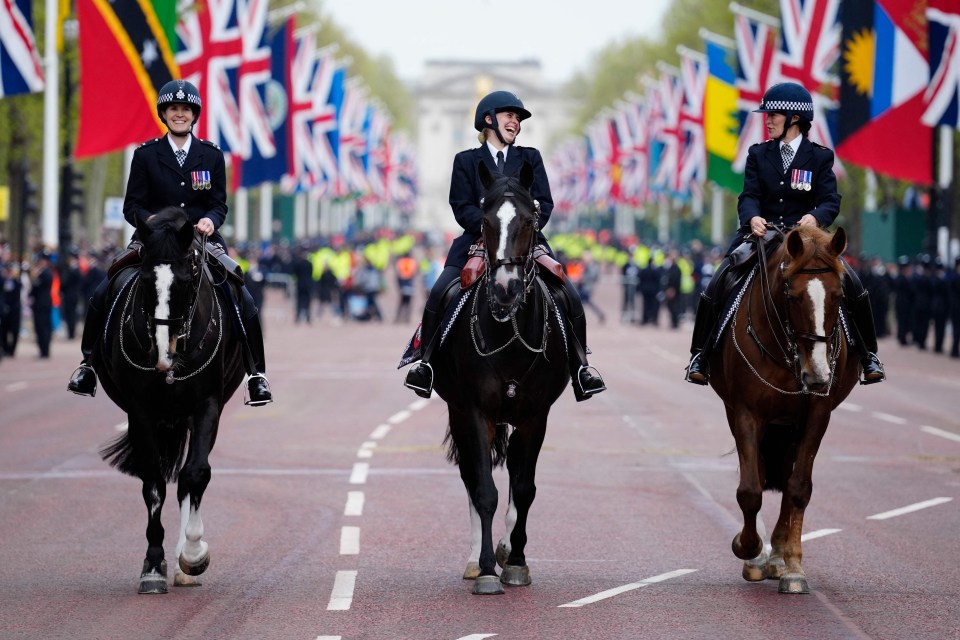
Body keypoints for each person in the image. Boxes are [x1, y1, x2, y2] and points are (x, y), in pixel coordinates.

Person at [67, 79, 273, 405]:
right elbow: (131, 205)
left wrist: (210, 220)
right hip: (153, 240)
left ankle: (255, 374)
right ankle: (88, 364)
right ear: (164, 113)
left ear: (194, 114)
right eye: (174, 109)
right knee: (104, 289)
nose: (180, 114)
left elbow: (219, 203)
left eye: (185, 109)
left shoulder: (211, 155)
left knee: (241, 295)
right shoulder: (146, 155)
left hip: (199, 238)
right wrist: (150, 223)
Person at [403, 90, 606, 402]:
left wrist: (525, 227)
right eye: (510, 115)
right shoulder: (466, 161)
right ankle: (426, 365)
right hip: (477, 243)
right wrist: (490, 228)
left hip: (525, 242)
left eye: (518, 118)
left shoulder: (531, 158)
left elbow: (545, 202)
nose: (516, 122)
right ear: (489, 119)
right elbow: (460, 205)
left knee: (570, 296)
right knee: (440, 292)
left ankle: (581, 368)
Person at [684, 82, 885, 385]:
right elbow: (749, 195)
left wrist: (813, 217)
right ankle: (701, 353)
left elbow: (831, 200)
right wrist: (752, 217)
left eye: (773, 114)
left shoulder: (819, 157)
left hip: (805, 239)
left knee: (852, 284)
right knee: (719, 279)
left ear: (794, 118)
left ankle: (869, 355)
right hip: (761, 235)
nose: (767, 119)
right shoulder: (758, 154)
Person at [29, 251, 54, 358]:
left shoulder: (46, 273)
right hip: (41, 303)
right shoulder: (43, 272)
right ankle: (43, 349)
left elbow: (36, 286)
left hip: (42, 304)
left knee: (42, 327)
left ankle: (44, 350)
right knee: (41, 327)